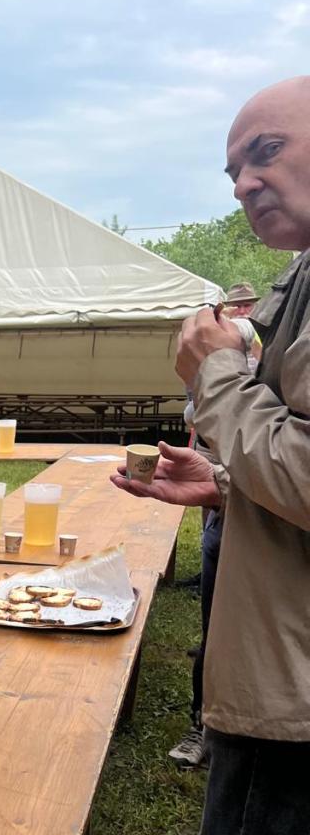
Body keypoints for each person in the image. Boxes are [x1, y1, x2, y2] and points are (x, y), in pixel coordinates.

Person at [80, 76, 310, 835]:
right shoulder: (303, 284)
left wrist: (216, 373)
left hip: (291, 681)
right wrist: (216, 481)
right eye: (230, 166)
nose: (242, 181)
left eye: (264, 152)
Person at [169, 283, 263, 770]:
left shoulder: (258, 353)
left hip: (268, 518)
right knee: (214, 627)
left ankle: (232, 734)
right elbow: (200, 415)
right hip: (229, 505)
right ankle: (202, 725)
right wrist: (217, 483)